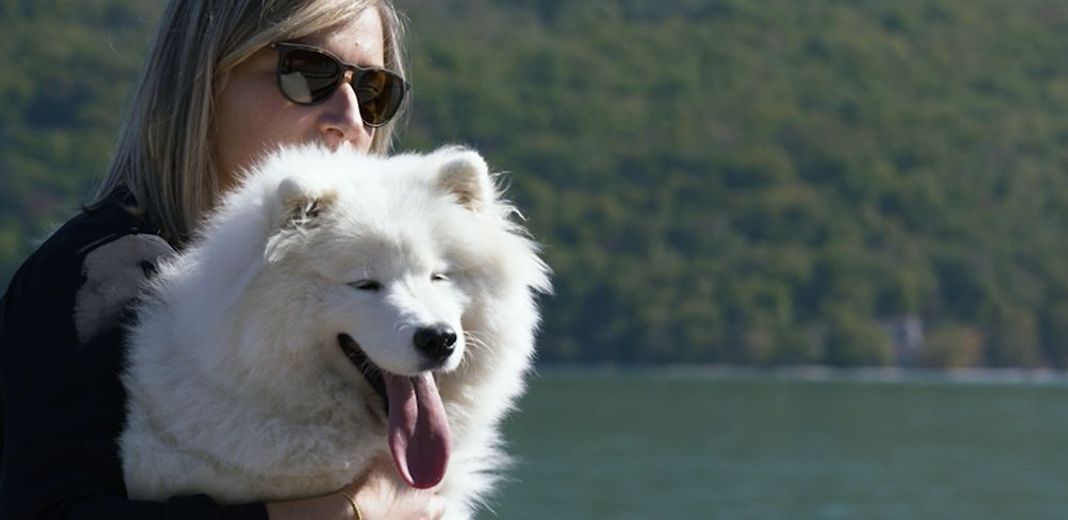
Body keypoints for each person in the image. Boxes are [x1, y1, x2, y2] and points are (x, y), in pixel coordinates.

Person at [0, 1, 444, 518]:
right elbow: (45, 508)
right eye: (306, 73)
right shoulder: (106, 276)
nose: (348, 120)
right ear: (201, 83)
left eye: (373, 91)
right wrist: (351, 510)